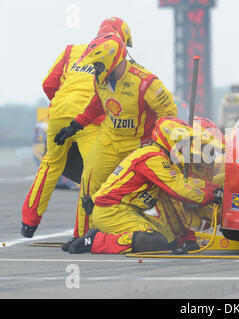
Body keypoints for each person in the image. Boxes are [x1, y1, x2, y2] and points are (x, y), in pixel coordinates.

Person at [54, 32, 178, 250]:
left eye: (98, 66)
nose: (94, 70)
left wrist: (160, 144)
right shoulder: (99, 79)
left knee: (152, 189)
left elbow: (169, 113)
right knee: (89, 181)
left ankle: (172, 234)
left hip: (139, 143)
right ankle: (83, 235)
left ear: (111, 60)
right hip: (109, 138)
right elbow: (96, 104)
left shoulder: (146, 82)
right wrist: (75, 125)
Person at [21, 18, 133, 244]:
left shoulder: (71, 51)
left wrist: (63, 106)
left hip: (59, 113)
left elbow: (48, 83)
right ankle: (82, 234)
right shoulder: (119, 60)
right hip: (89, 120)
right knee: (91, 174)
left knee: (51, 164)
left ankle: (29, 221)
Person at [67, 117, 222, 254]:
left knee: (170, 241)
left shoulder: (161, 160)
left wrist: (184, 237)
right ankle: (95, 240)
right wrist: (211, 196)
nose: (184, 147)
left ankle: (100, 235)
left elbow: (174, 197)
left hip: (126, 210)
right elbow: (179, 190)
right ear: (169, 139)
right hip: (113, 210)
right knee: (154, 241)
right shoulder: (153, 157)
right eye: (181, 142)